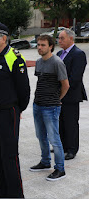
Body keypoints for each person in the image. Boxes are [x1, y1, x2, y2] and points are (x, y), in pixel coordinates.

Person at [0, 23, 30, 199]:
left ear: (4, 38)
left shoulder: (14, 58)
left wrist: (15, 109)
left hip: (7, 113)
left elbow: (23, 91)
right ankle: (1, 193)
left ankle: (16, 196)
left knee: (9, 156)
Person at [29, 35, 69, 181]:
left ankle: (60, 168)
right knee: (41, 136)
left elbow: (66, 85)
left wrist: (56, 100)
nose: (39, 47)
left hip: (50, 107)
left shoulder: (57, 63)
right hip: (37, 105)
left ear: (51, 46)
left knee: (54, 138)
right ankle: (45, 162)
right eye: (38, 45)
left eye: (43, 45)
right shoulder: (39, 62)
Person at [57, 29, 87, 160]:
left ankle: (72, 149)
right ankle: (63, 145)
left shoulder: (78, 54)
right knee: (60, 122)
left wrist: (62, 87)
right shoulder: (59, 53)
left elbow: (75, 78)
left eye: (62, 38)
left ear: (70, 39)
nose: (59, 41)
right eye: (59, 38)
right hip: (59, 94)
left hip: (71, 94)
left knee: (71, 123)